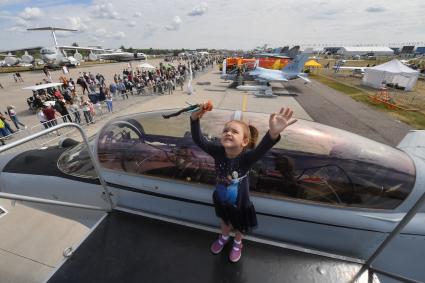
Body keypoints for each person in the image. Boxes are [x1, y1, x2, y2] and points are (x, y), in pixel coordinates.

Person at [190, 105, 297, 263]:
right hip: (221, 198)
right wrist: (194, 120)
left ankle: (238, 243)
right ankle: (224, 236)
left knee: (240, 225)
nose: (228, 133)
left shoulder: (247, 158)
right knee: (224, 220)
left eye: (234, 131)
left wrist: (273, 134)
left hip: (240, 202)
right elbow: (199, 139)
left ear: (245, 141)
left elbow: (262, 149)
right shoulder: (217, 151)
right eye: (225, 130)